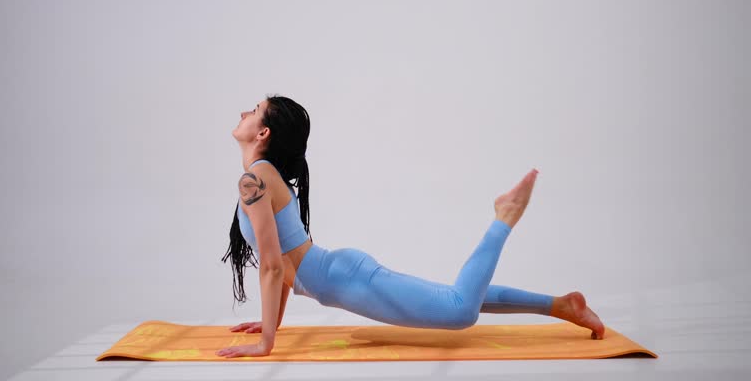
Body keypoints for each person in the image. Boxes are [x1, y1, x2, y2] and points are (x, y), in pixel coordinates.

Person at [216, 95, 605, 358]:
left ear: (263, 132)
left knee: (459, 312)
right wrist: (273, 323)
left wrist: (267, 341)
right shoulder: (264, 177)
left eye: (252, 111)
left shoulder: (255, 179)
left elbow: (271, 265)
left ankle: (503, 218)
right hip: (340, 274)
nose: (242, 114)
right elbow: (284, 261)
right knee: (454, 297)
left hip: (345, 281)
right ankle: (563, 305)